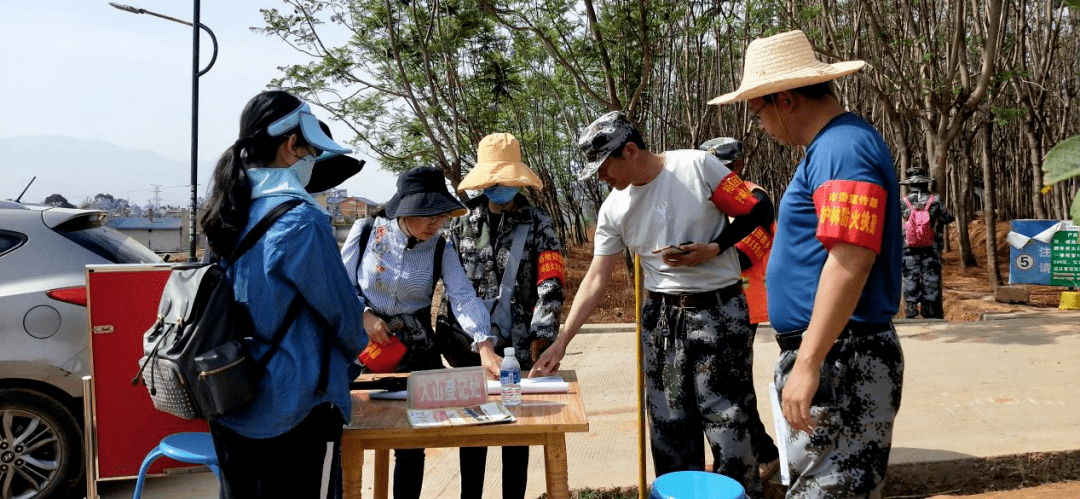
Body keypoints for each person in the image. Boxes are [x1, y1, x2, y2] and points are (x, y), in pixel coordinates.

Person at [531, 111, 773, 498]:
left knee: (729, 423)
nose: (601, 177)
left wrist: (715, 248)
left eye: (604, 166)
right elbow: (596, 277)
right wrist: (563, 339)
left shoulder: (697, 166)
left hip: (719, 312)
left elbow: (758, 211)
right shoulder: (614, 209)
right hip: (661, 321)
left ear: (629, 150)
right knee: (669, 425)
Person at [710, 29, 905, 498]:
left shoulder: (842, 149)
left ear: (787, 100)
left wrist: (810, 362)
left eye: (759, 111)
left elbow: (851, 257)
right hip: (835, 353)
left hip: (844, 357)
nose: (761, 125)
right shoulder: (832, 148)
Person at [199, 90, 369, 499]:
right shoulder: (300, 220)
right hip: (294, 408)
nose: (312, 160)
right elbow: (344, 318)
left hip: (228, 398)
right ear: (292, 145)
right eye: (311, 148)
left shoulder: (224, 212)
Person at [341, 166, 502, 499]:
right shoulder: (368, 230)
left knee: (411, 443)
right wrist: (364, 316)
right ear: (405, 208)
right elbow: (338, 285)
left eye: (441, 216)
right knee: (346, 433)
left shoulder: (441, 248)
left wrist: (484, 345)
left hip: (415, 352)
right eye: (428, 214)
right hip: (364, 350)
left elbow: (462, 296)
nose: (435, 223)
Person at [436, 133, 565, 499]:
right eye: (493, 180)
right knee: (473, 435)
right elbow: (452, 290)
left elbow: (550, 279)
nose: (499, 187)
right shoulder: (461, 224)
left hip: (521, 348)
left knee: (515, 437)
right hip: (474, 350)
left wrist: (543, 333)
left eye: (505, 179)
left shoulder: (538, 221)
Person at [699, 137, 780, 479]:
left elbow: (749, 253)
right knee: (721, 383)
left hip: (743, 304)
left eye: (724, 169)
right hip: (714, 300)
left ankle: (764, 453)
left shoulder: (755, 198)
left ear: (737, 168)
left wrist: (704, 258)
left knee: (735, 384)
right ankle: (739, 453)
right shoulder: (711, 201)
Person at [900, 167, 953, 319]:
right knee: (930, 275)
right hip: (931, 246)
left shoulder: (903, 202)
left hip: (908, 246)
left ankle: (911, 308)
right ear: (925, 183)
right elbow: (947, 218)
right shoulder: (935, 200)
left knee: (910, 275)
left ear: (910, 184)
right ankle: (929, 309)